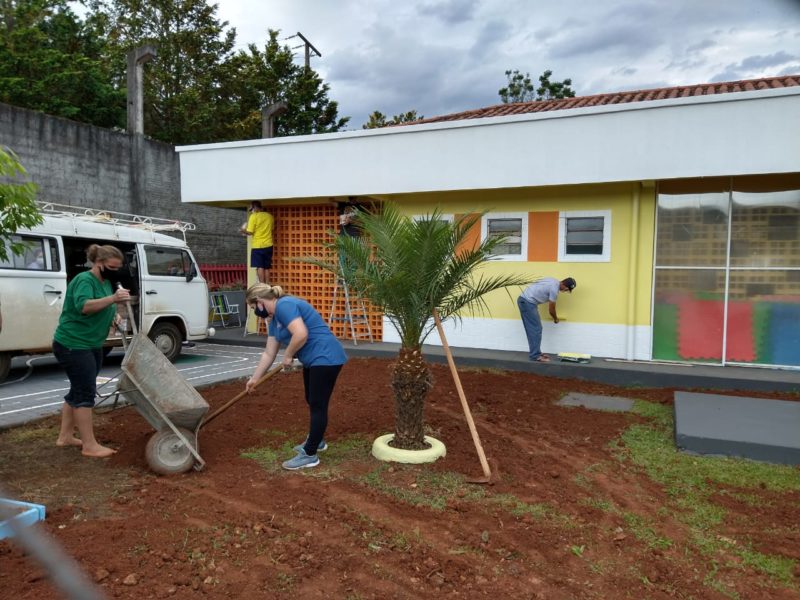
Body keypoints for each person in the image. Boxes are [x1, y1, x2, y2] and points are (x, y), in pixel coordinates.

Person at [244, 283, 347, 470]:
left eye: (253, 308)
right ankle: (317, 440)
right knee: (312, 399)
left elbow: (300, 334)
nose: (255, 312)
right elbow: (269, 353)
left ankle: (310, 454)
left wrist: (289, 355)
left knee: (317, 404)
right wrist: (255, 379)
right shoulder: (273, 319)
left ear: (259, 302)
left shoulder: (285, 305)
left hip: (326, 356)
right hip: (314, 360)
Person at [53, 244, 131, 457]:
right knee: (85, 393)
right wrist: (114, 299)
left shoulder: (105, 282)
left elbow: (103, 306)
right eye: (112, 267)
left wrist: (113, 315)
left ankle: (65, 437)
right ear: (98, 263)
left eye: (118, 268)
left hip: (91, 344)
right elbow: (84, 306)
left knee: (77, 389)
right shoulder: (84, 280)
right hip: (73, 344)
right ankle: (89, 446)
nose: (115, 271)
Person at [517, 277, 576, 363]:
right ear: (563, 284)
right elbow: (551, 310)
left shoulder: (552, 280)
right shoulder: (554, 289)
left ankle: (536, 352)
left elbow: (537, 284)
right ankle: (535, 355)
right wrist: (555, 319)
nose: (565, 291)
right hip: (527, 302)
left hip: (526, 301)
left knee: (534, 329)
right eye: (566, 289)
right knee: (535, 329)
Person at [240, 201, 275, 284]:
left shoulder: (253, 216)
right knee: (267, 267)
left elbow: (250, 232)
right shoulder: (270, 216)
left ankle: (262, 285)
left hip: (257, 246)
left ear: (255, 207)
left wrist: (242, 230)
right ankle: (267, 285)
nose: (251, 211)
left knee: (260, 266)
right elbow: (272, 229)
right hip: (269, 245)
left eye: (251, 209)